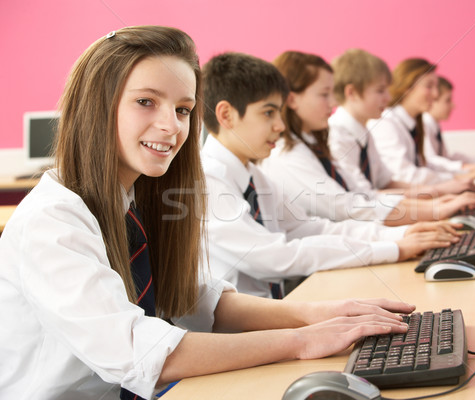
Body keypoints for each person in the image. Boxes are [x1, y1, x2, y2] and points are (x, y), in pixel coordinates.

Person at [0, 26, 417, 399]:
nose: (171, 125)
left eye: (182, 110)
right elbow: (139, 352)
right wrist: (302, 341)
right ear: (96, 106)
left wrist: (324, 313)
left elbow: (199, 300)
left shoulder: (137, 200)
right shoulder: (52, 219)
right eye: (146, 101)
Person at [200, 51, 460, 299]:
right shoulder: (209, 179)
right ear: (226, 115)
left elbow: (308, 228)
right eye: (268, 113)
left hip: (271, 311)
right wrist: (392, 248)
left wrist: (398, 237)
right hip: (231, 334)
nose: (279, 125)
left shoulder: (255, 175)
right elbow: (276, 258)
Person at [261, 50, 475, 227]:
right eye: (324, 94)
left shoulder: (318, 143)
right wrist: (432, 207)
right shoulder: (294, 153)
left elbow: (364, 195)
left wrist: (431, 201)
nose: (332, 103)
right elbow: (347, 207)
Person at [368, 58, 475, 185]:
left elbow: (425, 165)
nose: (435, 94)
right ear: (407, 87)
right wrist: (456, 177)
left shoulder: (413, 124)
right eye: (429, 86)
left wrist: (463, 173)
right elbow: (403, 174)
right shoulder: (386, 123)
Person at [423, 76, 475, 172]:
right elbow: (432, 161)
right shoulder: (424, 126)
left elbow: (446, 158)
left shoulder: (434, 125)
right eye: (447, 100)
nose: (453, 106)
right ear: (432, 101)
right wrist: (470, 167)